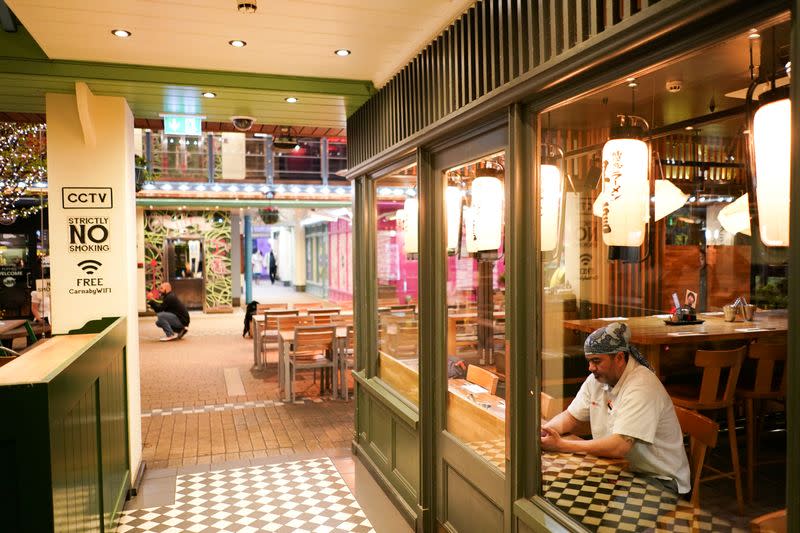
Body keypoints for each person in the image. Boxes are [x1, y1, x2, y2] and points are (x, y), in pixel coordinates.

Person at [540, 322, 690, 495]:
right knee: (560, 493)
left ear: (619, 358)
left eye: (596, 361)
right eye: (589, 361)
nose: (591, 368)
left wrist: (562, 445)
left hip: (660, 480)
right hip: (618, 470)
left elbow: (619, 447)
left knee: (602, 514)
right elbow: (571, 417)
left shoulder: (641, 386)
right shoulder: (597, 379)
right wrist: (547, 431)